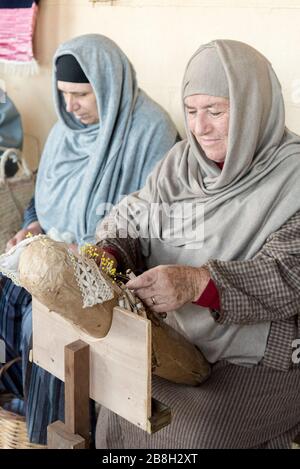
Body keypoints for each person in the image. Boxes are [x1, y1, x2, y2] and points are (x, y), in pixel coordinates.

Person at [94, 40, 300, 449]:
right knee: (115, 417)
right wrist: (112, 252)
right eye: (191, 112)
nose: (199, 128)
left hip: (263, 358)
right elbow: (135, 216)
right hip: (180, 343)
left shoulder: (291, 178)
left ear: (253, 107)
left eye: (216, 112)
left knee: (197, 437)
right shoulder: (181, 164)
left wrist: (198, 283)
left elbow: (288, 273)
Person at [0, 33, 178, 444]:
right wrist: (34, 227)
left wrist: (87, 254)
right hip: (51, 256)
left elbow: (151, 226)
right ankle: (20, 403)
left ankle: (44, 434)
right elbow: (44, 198)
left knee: (43, 326)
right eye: (63, 94)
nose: (69, 107)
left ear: (108, 85)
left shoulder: (149, 132)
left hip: (107, 269)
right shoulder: (66, 133)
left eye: (81, 94)